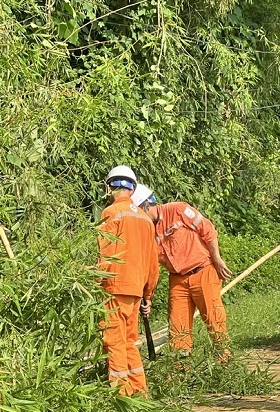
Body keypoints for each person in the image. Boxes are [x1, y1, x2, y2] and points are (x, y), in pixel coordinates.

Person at [131, 185, 232, 358]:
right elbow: (149, 267)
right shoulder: (145, 231)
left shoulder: (179, 210)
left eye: (140, 213)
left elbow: (208, 231)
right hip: (177, 280)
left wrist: (217, 258)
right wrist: (146, 297)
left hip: (204, 271)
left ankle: (225, 361)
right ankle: (180, 370)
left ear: (147, 206)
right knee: (178, 329)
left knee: (215, 321)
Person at [97, 166, 159, 396]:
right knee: (130, 341)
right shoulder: (145, 219)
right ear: (132, 189)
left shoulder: (111, 214)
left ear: (109, 187)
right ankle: (139, 391)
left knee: (114, 340)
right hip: (136, 290)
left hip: (114, 287)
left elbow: (106, 254)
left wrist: (93, 281)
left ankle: (121, 396)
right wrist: (148, 295)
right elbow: (153, 264)